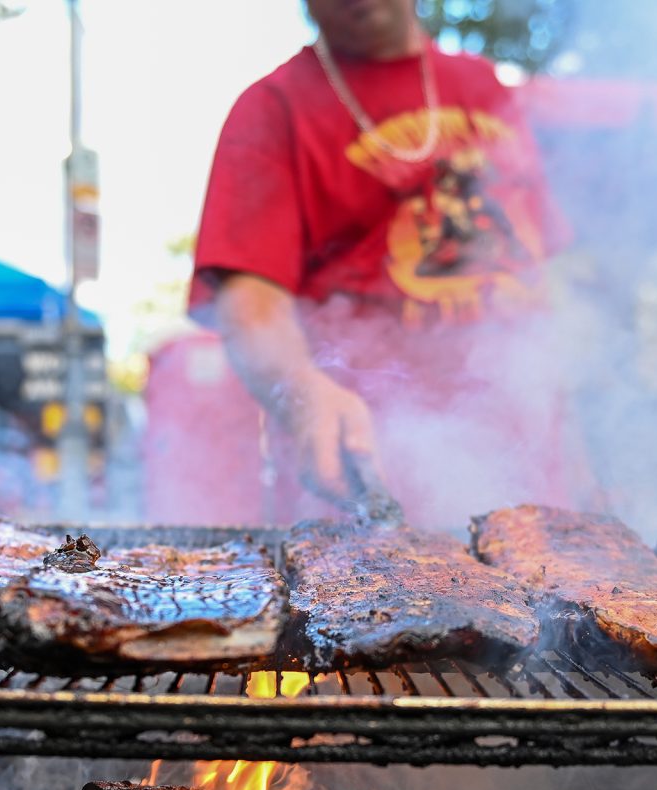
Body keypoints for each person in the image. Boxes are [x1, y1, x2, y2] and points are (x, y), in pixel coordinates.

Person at [190, 0, 581, 526]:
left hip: (536, 493)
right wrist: (302, 390)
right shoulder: (271, 109)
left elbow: (542, 280)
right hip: (366, 504)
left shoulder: (484, 85)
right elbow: (251, 306)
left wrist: (582, 469)